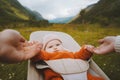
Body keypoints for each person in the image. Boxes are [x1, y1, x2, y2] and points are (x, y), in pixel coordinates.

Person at [32, 34, 104, 80]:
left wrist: (87, 50)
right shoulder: (48, 55)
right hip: (59, 76)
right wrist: (36, 51)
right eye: (50, 46)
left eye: (57, 45)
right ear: (45, 50)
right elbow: (39, 56)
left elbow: (80, 56)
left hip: (82, 74)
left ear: (62, 46)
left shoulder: (70, 54)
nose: (55, 48)